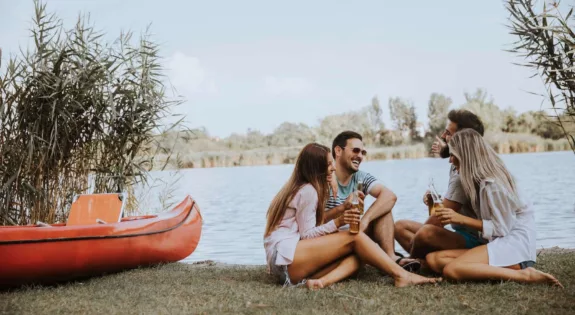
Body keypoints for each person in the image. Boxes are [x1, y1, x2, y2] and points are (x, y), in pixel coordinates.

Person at [263, 143, 441, 290]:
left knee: (359, 255)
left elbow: (311, 228)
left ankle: (321, 283)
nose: (333, 167)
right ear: (316, 168)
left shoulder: (300, 187)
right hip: (286, 259)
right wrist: (339, 222)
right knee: (353, 236)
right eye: (328, 164)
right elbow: (307, 235)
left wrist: (342, 208)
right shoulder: (308, 191)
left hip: (285, 263)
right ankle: (401, 275)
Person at [425, 129, 562, 287]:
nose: (450, 160)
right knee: (434, 260)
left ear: (467, 157)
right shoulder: (477, 181)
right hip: (496, 241)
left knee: (452, 270)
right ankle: (490, 266)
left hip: (514, 244)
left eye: (453, 155)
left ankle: (524, 274)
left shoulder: (494, 185)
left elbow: (501, 228)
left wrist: (461, 219)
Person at [394, 109, 487, 259]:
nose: (443, 136)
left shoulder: (464, 173)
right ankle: (420, 260)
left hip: (476, 240)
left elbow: (437, 221)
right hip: (460, 234)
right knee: (399, 227)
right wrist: (435, 203)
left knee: (425, 233)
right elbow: (441, 216)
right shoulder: (457, 162)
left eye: (448, 133)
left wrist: (421, 237)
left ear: (463, 138)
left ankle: (413, 261)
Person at [324, 131, 418, 271]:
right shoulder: (324, 178)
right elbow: (313, 221)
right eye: (355, 150)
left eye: (363, 152)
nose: (360, 156)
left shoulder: (360, 177)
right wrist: (342, 209)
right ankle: (376, 258)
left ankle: (390, 257)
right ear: (338, 151)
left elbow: (389, 196)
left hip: (355, 233)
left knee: (384, 209)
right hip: (329, 238)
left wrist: (365, 220)